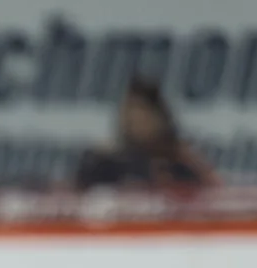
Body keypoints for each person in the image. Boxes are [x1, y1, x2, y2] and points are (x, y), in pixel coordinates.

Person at [75, 76, 214, 189]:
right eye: (129, 113)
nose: (134, 121)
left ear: (159, 116)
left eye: (141, 113)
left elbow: (206, 195)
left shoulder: (181, 161)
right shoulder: (104, 161)